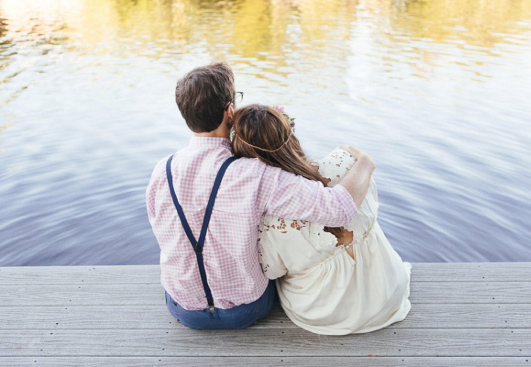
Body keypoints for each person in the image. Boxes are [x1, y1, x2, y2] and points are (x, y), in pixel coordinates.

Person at [145, 62, 376, 330]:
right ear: (229, 111)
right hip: (245, 310)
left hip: (183, 308)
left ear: (186, 116)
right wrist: (365, 163)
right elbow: (340, 208)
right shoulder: (254, 175)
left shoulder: (161, 171)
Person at [231, 104, 412, 335]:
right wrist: (363, 160)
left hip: (324, 314)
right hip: (387, 293)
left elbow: (272, 271)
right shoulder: (345, 163)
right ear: (290, 134)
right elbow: (374, 201)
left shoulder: (265, 221)